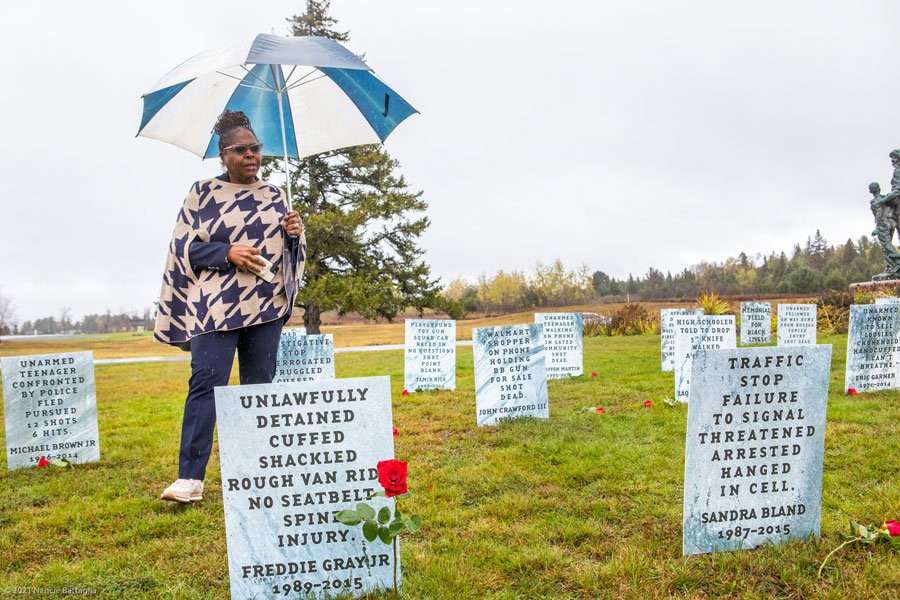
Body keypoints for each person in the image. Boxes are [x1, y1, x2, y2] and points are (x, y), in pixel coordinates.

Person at [153, 110, 306, 503]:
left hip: (264, 307)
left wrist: (293, 236)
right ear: (223, 155)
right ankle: (190, 479)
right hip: (215, 308)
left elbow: (287, 259)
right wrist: (227, 252)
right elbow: (185, 249)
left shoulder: (275, 196)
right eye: (241, 150)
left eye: (255, 148)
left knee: (259, 388)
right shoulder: (202, 193)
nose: (251, 155)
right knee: (205, 385)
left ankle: (257, 471)